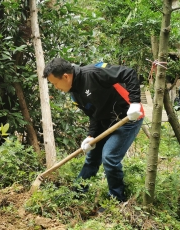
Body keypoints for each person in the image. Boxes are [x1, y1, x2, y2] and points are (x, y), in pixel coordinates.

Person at [43, 58, 144, 202]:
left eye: (55, 83)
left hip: (128, 118)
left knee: (109, 157)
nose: (56, 87)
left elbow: (128, 73)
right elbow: (94, 114)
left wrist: (134, 102)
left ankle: (117, 199)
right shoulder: (75, 94)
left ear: (65, 76)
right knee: (92, 157)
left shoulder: (93, 73)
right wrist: (91, 135)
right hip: (106, 123)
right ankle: (77, 194)